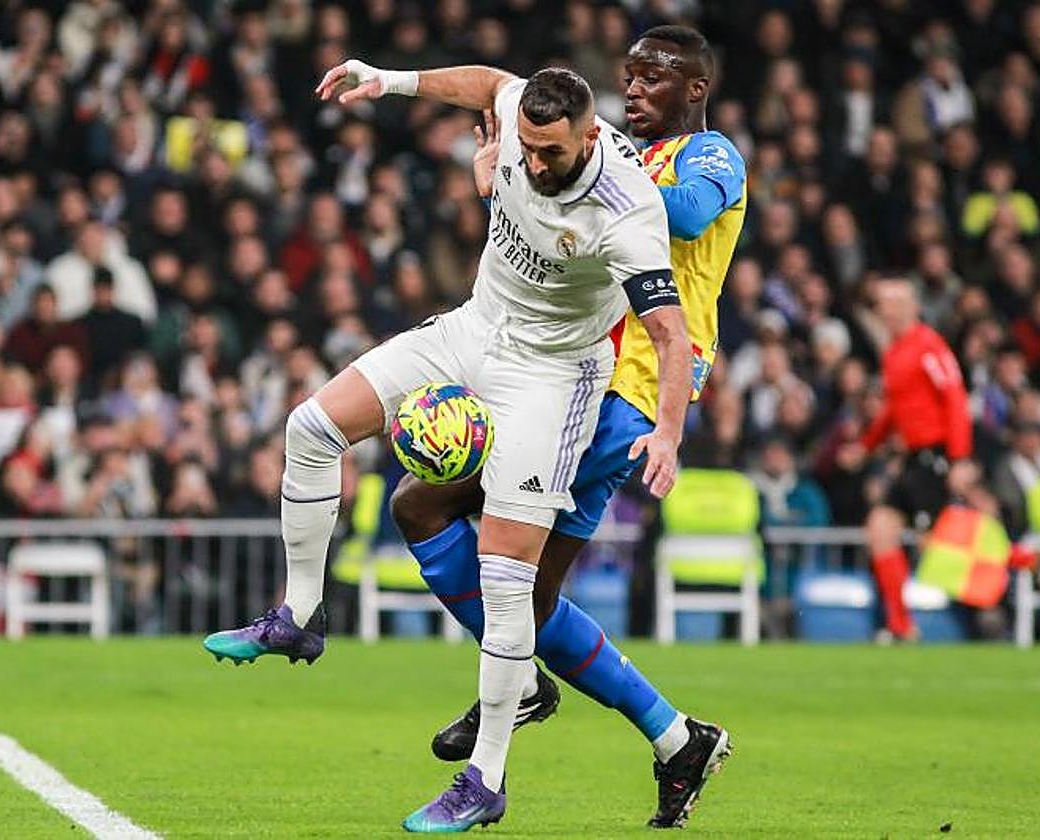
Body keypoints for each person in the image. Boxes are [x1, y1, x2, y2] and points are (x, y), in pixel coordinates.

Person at [204, 61, 688, 833]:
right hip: (474, 330)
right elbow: (487, 82)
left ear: (591, 135)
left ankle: (485, 780)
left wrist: (668, 431)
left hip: (552, 379)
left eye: (551, 153)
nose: (534, 164)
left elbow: (669, 333)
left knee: (506, 579)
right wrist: (388, 81)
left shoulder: (627, 210)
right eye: (526, 147)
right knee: (311, 428)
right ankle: (300, 614)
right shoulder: (522, 115)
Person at [388, 25, 745, 829]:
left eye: (656, 76)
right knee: (501, 573)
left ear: (695, 89)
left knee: (472, 546)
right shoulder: (600, 158)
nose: (636, 87)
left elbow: (689, 215)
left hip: (628, 394)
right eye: (630, 74)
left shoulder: (712, 157)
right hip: (567, 374)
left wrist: (595, 168)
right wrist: (506, 183)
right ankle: (672, 737)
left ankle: (522, 691)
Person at [858, 277, 973, 642]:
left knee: (941, 544)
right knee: (880, 528)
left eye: (893, 303)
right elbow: (894, 409)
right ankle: (901, 625)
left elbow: (954, 397)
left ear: (912, 307)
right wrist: (866, 445)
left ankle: (1022, 568)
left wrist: (959, 459)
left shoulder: (929, 346)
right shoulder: (894, 352)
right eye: (883, 304)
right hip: (911, 458)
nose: (886, 311)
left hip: (934, 455)